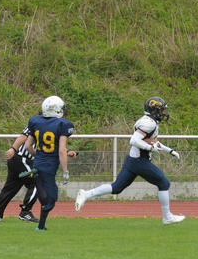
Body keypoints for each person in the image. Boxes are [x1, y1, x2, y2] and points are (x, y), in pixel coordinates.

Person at [74, 97, 185, 225]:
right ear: (153, 110)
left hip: (132, 160)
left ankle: (86, 194)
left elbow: (151, 141)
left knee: (116, 188)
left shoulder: (149, 121)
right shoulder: (149, 124)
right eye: (160, 110)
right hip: (139, 161)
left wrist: (169, 150)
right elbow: (134, 140)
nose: (162, 113)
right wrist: (149, 148)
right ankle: (167, 217)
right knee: (164, 183)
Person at [23, 96, 74, 231]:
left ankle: (41, 227)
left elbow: (28, 146)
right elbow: (61, 150)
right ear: (57, 109)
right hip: (49, 167)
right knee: (52, 198)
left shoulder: (35, 121)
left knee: (44, 198)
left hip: (37, 165)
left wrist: (39, 156)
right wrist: (65, 171)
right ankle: (41, 222)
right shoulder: (63, 124)